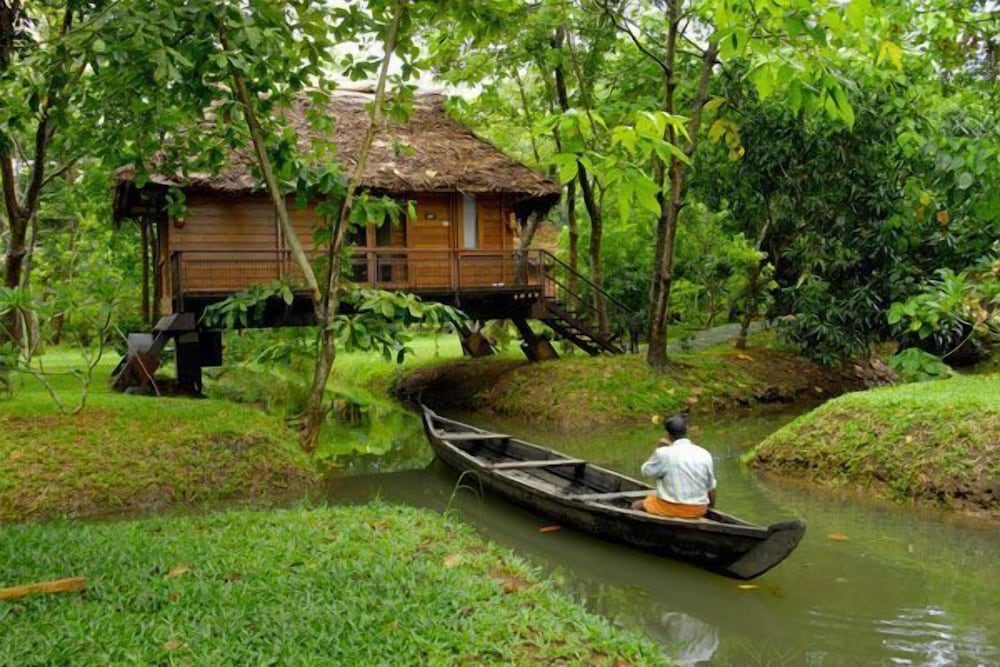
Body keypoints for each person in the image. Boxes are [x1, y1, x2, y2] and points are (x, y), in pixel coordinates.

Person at [631, 413, 716, 518]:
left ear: (668, 434)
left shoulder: (663, 453)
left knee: (636, 505)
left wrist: (659, 448)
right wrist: (712, 509)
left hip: (672, 508)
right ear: (686, 431)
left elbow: (645, 471)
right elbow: (711, 488)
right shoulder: (704, 453)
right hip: (699, 509)